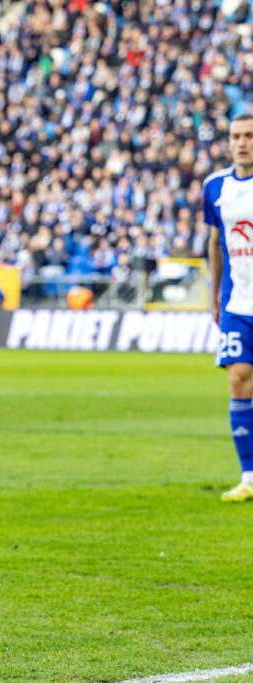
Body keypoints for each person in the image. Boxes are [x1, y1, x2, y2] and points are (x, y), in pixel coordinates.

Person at [205, 113, 253, 502]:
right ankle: (248, 476)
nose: (242, 143)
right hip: (237, 302)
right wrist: (213, 295)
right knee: (238, 377)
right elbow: (214, 241)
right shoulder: (215, 186)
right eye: (236, 136)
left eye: (249, 136)